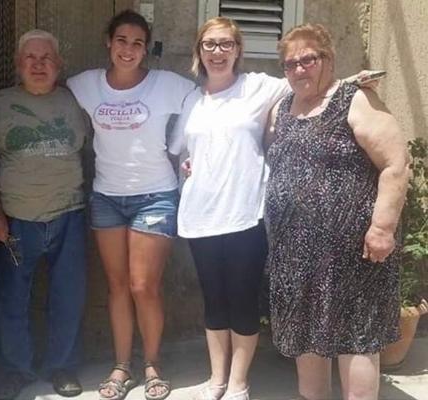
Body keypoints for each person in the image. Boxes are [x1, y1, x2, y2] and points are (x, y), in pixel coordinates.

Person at [265, 23, 409, 400]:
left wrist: (382, 227)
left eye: (308, 59)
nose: (299, 69)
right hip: (295, 255)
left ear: (327, 59)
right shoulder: (283, 107)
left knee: (355, 337)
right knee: (307, 334)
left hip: (353, 252)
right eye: (290, 63)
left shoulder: (355, 99)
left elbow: (396, 164)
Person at [66, 9, 195, 400]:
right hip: (106, 196)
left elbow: (205, 103)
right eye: (121, 40)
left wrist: (184, 149)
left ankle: (152, 363)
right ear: (109, 42)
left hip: (156, 194)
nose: (128, 49)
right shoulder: (85, 84)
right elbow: (45, 92)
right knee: (118, 286)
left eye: (137, 43)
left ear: (146, 48)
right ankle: (122, 365)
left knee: (144, 286)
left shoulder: (168, 85)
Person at [168, 17, 289, 400]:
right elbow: (179, 150)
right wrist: (186, 163)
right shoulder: (191, 99)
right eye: (209, 45)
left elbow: (308, 77)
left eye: (225, 44)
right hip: (200, 216)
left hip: (243, 216)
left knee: (242, 300)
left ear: (238, 50)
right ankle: (216, 378)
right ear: (198, 51)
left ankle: (239, 382)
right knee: (214, 301)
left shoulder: (258, 87)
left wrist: (352, 84)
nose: (217, 52)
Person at [0, 29, 88, 398]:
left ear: (58, 65)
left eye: (46, 58)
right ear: (18, 64)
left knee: (67, 297)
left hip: (69, 215)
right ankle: (16, 369)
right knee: (12, 299)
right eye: (30, 58)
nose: (38, 65)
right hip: (15, 219)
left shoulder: (75, 103)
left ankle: (61, 366)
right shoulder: (0, 104)